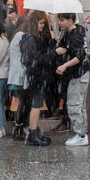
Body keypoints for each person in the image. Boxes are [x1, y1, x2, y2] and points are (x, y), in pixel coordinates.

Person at [18, 11, 56, 146]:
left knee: (36, 105)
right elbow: (37, 59)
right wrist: (53, 53)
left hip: (37, 75)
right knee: (36, 105)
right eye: (40, 23)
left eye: (43, 24)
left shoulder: (33, 38)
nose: (42, 26)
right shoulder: (30, 39)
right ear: (34, 23)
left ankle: (33, 132)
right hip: (36, 76)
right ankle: (33, 133)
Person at [55, 13, 90, 147]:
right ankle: (82, 134)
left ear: (70, 20)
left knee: (74, 105)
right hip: (81, 74)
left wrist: (64, 65)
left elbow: (79, 56)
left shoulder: (75, 35)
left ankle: (81, 135)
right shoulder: (77, 32)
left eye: (62, 20)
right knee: (79, 105)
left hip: (78, 74)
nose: (59, 23)